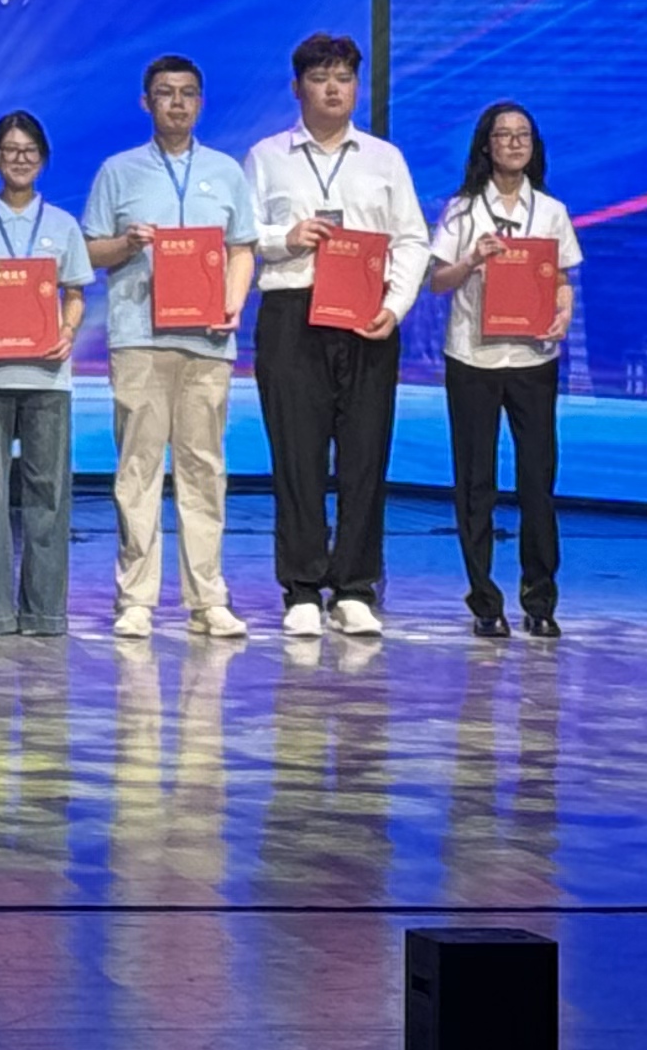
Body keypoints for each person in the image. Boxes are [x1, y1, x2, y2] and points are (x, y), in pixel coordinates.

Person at [242, 32, 427, 639]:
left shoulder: (383, 158)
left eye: (344, 78)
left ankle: (354, 587)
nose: (333, 89)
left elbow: (412, 239)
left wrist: (395, 307)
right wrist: (285, 238)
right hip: (292, 311)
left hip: (366, 314)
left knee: (364, 454)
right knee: (296, 455)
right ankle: (300, 587)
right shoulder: (267, 156)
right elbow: (240, 235)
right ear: (297, 88)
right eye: (320, 78)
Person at [80, 54, 257, 641]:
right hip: (139, 338)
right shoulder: (118, 171)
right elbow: (89, 251)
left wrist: (232, 303)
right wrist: (127, 244)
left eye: (187, 93)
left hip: (208, 340)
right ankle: (136, 598)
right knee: (138, 468)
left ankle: (208, 600)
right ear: (146, 102)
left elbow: (241, 248)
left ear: (200, 103)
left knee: (204, 468)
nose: (176, 103)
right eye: (165, 93)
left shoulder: (226, 171)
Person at [426, 99, 581, 638]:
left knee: (537, 480)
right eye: (503, 135)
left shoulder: (552, 211)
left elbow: (562, 279)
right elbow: (438, 282)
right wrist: (473, 259)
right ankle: (485, 602)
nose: (514, 143)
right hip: (474, 356)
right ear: (485, 145)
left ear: (534, 147)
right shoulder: (463, 209)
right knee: (476, 482)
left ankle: (540, 600)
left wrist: (563, 313)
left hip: (533, 359)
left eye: (523, 135)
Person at [0, 110, 92, 639]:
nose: (20, 159)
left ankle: (45, 612)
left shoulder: (62, 224)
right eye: (10, 151)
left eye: (29, 151)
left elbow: (75, 293)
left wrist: (68, 330)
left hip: (47, 377)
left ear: (43, 159)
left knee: (48, 495)